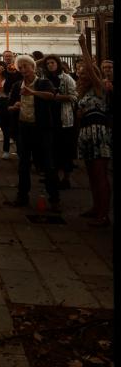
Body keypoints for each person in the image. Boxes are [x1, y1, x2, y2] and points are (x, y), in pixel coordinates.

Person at [4, 55, 59, 212]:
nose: (23, 70)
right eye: (20, 67)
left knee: (48, 164)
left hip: (41, 129)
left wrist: (33, 92)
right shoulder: (17, 86)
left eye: (25, 67)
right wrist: (14, 106)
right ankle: (22, 195)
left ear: (33, 67)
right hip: (24, 128)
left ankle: (54, 198)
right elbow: (8, 106)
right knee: (23, 164)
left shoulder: (42, 82)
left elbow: (51, 96)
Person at [76, 35, 112, 226]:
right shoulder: (83, 93)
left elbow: (90, 67)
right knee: (91, 174)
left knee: (100, 174)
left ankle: (104, 214)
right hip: (86, 133)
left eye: (85, 74)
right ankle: (96, 206)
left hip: (98, 133)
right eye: (80, 74)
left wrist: (83, 47)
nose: (82, 76)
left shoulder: (100, 88)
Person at [43, 54, 77, 190]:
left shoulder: (66, 78)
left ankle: (66, 178)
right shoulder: (45, 79)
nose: (50, 65)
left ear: (57, 64)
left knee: (65, 149)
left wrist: (58, 97)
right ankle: (54, 176)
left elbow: (74, 97)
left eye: (52, 62)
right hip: (50, 118)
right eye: (48, 63)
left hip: (63, 118)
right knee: (53, 149)